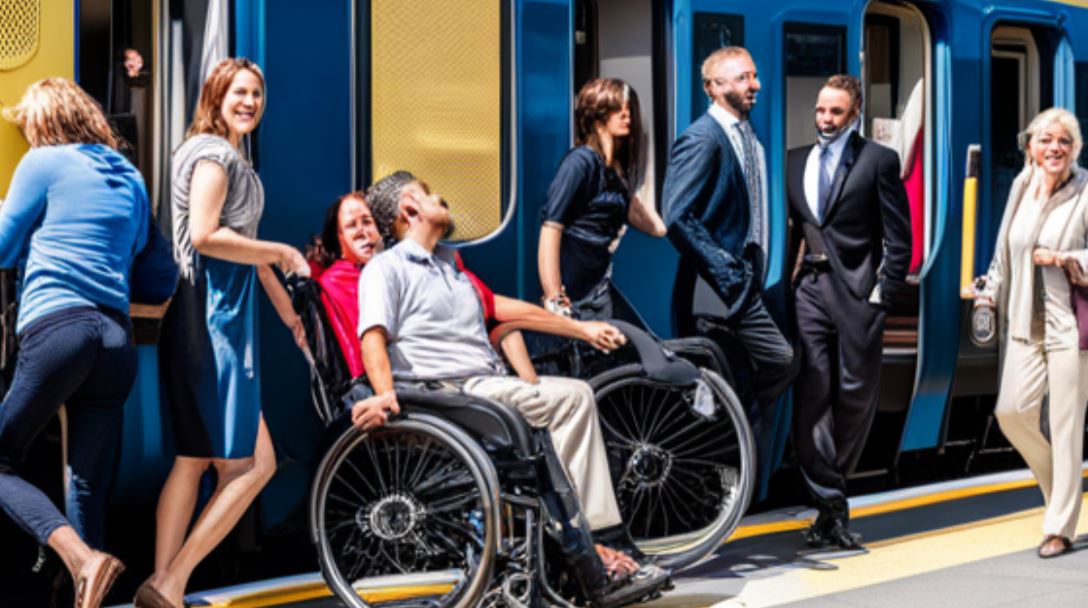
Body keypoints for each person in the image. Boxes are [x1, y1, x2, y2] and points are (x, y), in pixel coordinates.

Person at [351, 171, 670, 600]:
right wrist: (384, 394)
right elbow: (373, 335)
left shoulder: (452, 269)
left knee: (570, 398)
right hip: (447, 395)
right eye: (429, 195)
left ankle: (588, 542)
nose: (441, 198)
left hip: (482, 388)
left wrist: (582, 329)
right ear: (409, 209)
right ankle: (594, 552)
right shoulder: (385, 269)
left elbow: (512, 310)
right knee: (569, 401)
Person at [138, 58, 310, 608]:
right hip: (212, 325)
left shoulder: (223, 155)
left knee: (193, 458)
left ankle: (161, 586)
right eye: (240, 92)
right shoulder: (215, 156)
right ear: (216, 96)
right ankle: (171, 582)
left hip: (204, 322)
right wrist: (283, 250)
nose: (250, 102)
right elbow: (206, 235)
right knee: (253, 464)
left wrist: (289, 315)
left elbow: (246, 252)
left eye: (257, 94)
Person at [0, 77, 176, 608]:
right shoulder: (130, 176)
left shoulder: (43, 161)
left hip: (60, 328)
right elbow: (152, 267)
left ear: (43, 121)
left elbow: (3, 246)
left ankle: (80, 559)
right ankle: (81, 591)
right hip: (115, 340)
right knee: (85, 482)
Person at [785, 75, 911, 549]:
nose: (825, 119)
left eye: (835, 112)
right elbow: (792, 232)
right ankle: (830, 503)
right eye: (820, 110)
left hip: (858, 294)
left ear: (854, 114)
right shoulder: (793, 160)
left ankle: (832, 485)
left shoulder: (879, 161)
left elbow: (899, 237)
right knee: (813, 391)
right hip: (809, 292)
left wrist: (882, 294)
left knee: (856, 395)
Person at [661, 46, 795, 472]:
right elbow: (676, 216)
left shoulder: (747, 136)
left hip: (742, 283)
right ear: (713, 87)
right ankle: (724, 461)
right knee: (776, 362)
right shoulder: (703, 138)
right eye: (742, 78)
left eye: (753, 76)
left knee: (736, 378)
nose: (755, 85)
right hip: (716, 289)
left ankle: (734, 470)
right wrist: (725, 269)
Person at [976, 107, 1088, 559]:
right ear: (1031, 148)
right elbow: (1004, 250)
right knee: (1012, 413)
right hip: (1023, 323)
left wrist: (1064, 259)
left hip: (1068, 328)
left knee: (1066, 427)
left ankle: (1059, 527)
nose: (1054, 148)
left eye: (1064, 141)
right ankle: (1062, 490)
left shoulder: (1085, 191)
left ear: (1075, 149)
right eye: (1046, 140)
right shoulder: (1022, 186)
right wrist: (988, 291)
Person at [538, 78, 665, 322]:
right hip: (575, 285)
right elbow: (551, 228)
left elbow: (638, 214)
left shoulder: (614, 167)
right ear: (597, 117)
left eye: (628, 108)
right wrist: (554, 299)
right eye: (617, 109)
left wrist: (666, 231)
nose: (626, 115)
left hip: (599, 282)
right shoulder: (580, 162)